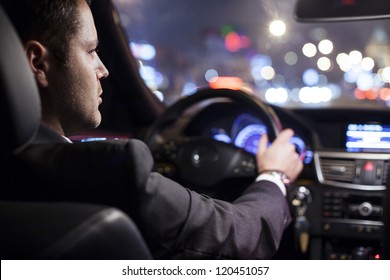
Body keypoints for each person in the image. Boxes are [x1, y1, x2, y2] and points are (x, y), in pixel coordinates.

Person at [1, 0, 303, 259]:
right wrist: (274, 175)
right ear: (37, 63)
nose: (103, 69)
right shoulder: (110, 172)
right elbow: (240, 236)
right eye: (91, 50)